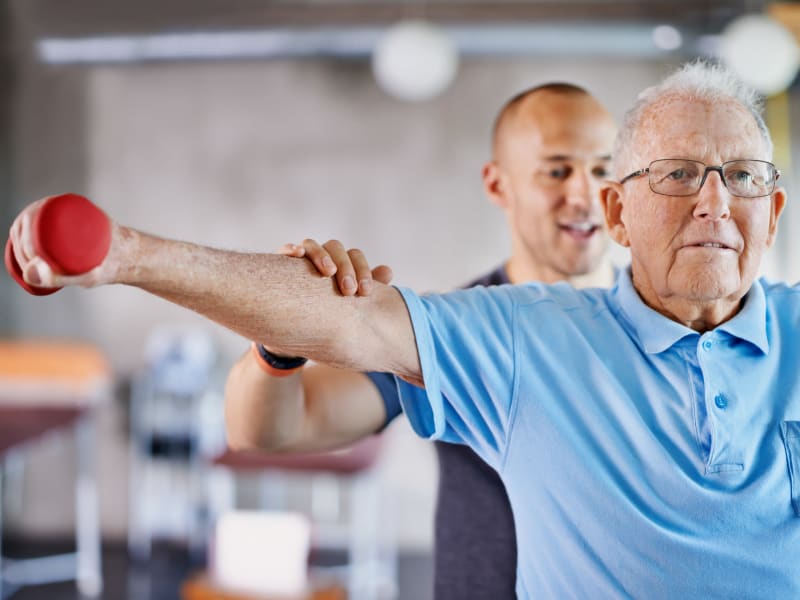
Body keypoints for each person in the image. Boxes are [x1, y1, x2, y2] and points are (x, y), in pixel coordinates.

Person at [8, 61, 798, 598]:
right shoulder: (509, 331)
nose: (713, 203)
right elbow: (296, 389)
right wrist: (128, 256)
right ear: (619, 208)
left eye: (743, 178)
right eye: (558, 168)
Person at [223, 83, 618, 599]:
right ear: (499, 186)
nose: (584, 194)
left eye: (603, 169)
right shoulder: (448, 330)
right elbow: (271, 429)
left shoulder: (659, 324)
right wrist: (280, 343)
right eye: (557, 170)